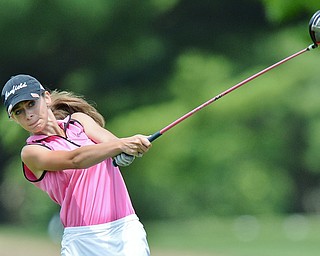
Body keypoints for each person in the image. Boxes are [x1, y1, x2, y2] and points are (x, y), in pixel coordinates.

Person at [1, 74, 152, 256]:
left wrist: (127, 151)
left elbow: (111, 143)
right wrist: (121, 145)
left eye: (31, 104)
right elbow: (75, 160)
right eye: (19, 112)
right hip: (83, 241)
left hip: (126, 231)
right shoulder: (32, 152)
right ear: (14, 118)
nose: (28, 115)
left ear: (46, 98)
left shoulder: (79, 121)